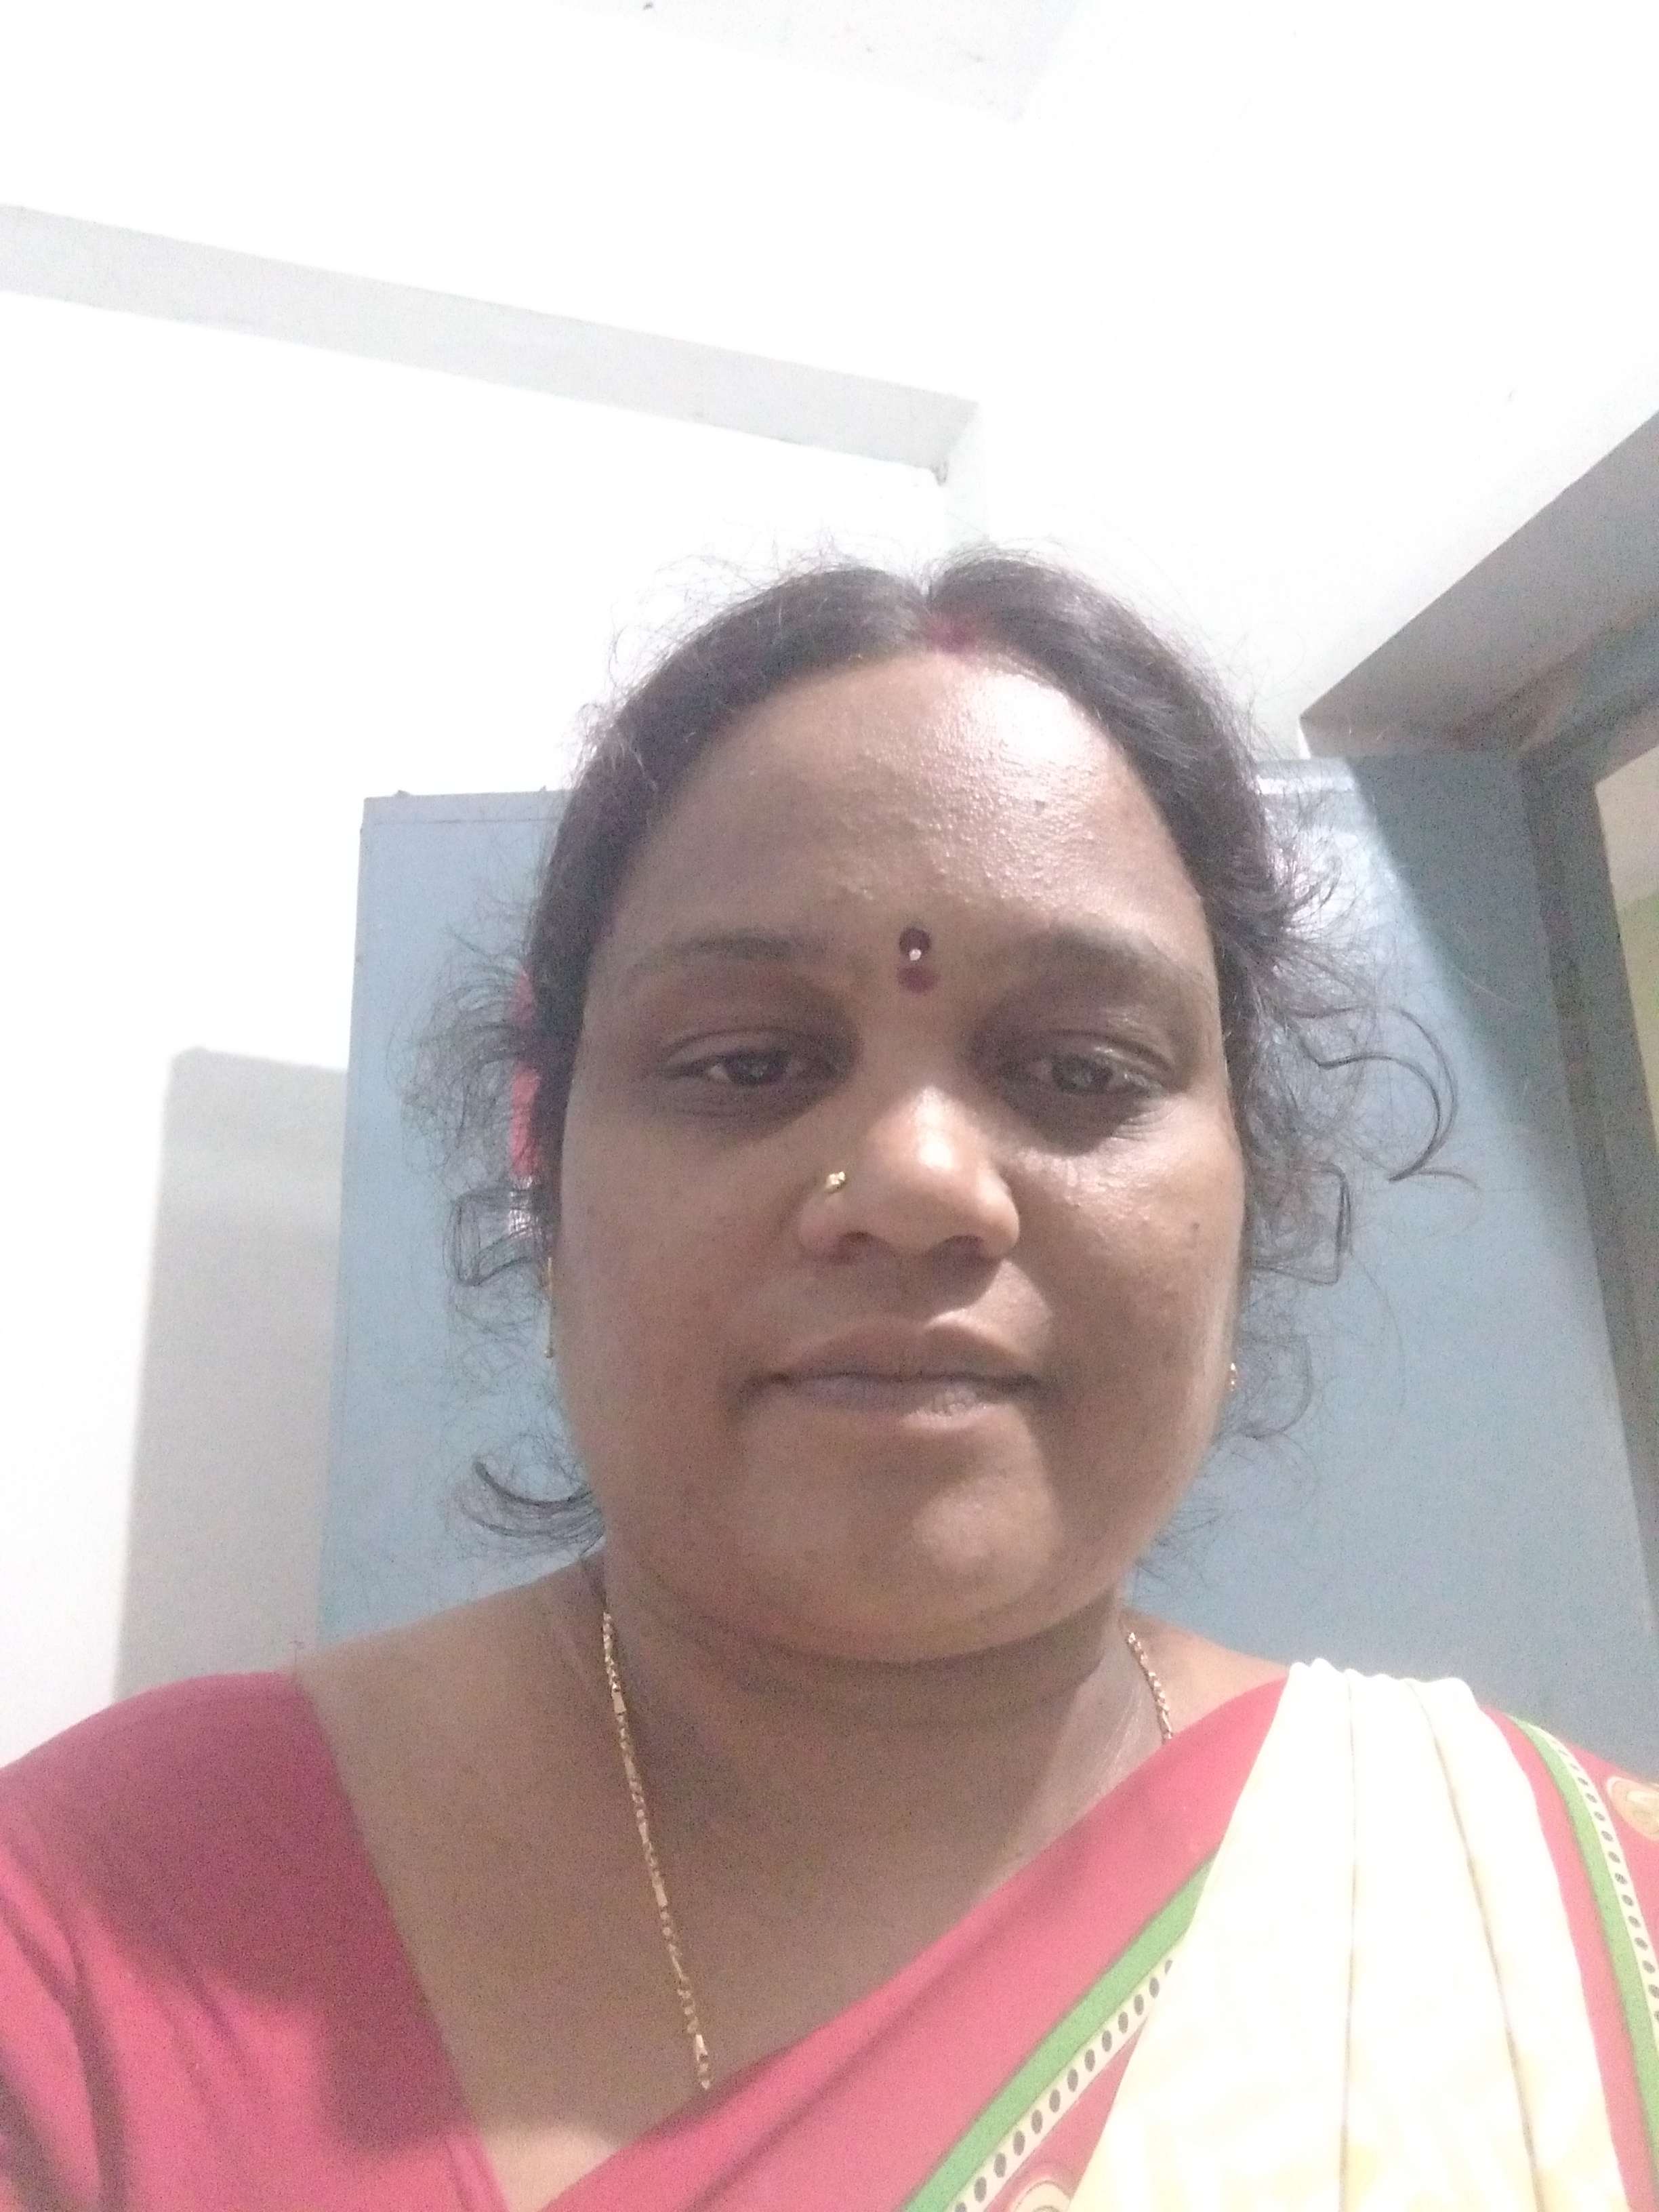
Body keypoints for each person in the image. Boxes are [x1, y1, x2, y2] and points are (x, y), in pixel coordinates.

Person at [2, 552, 1656, 2211]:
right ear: (545, 1181)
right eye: (747, 1062)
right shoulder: (99, 1925)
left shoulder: (1569, 1930)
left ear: (1255, 1197)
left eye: (1080, 1068)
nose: (922, 1181)